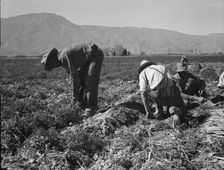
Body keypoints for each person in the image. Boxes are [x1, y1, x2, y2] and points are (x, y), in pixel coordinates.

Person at [41, 43, 104, 117]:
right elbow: (77, 78)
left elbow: (75, 77)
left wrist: (75, 95)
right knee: (82, 81)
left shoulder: (62, 57)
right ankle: (82, 105)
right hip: (88, 59)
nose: (54, 65)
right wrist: (77, 97)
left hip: (94, 54)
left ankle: (91, 108)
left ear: (53, 57)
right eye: (52, 65)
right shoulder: (63, 59)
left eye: (52, 63)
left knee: (90, 81)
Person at [138, 60, 187, 130]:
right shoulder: (161, 67)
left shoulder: (143, 73)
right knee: (182, 108)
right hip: (172, 89)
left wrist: (148, 111)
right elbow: (175, 78)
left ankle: (160, 112)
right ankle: (174, 110)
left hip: (159, 95)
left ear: (142, 68)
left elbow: (143, 92)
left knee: (149, 91)